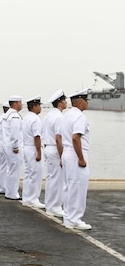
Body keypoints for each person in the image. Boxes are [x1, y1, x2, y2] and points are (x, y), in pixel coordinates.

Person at [60, 89, 92, 230]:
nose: (87, 102)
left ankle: (68, 217)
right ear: (79, 102)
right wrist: (81, 158)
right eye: (86, 100)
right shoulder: (79, 117)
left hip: (67, 153)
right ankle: (75, 219)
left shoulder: (66, 116)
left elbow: (61, 137)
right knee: (78, 188)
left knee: (68, 187)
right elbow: (75, 137)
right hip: (75, 154)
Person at [42, 90, 67, 217]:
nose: (66, 102)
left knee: (51, 178)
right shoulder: (59, 117)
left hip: (47, 147)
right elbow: (58, 138)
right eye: (64, 100)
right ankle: (55, 207)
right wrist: (62, 155)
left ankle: (50, 205)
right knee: (57, 179)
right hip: (55, 149)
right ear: (60, 102)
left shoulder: (48, 115)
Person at [21, 96, 45, 209]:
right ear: (35, 106)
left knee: (28, 174)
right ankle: (33, 198)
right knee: (35, 174)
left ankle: (26, 198)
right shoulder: (35, 119)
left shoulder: (26, 118)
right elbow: (37, 137)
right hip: (33, 148)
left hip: (26, 147)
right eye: (39, 105)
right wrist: (39, 152)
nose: (40, 107)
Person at [2, 95, 24, 200]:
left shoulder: (8, 115)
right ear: (15, 103)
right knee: (14, 171)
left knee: (11, 170)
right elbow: (15, 133)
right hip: (14, 147)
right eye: (20, 102)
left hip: (7, 146)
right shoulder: (14, 116)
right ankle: (12, 193)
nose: (22, 104)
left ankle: (9, 191)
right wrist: (15, 146)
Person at [0, 102, 10, 195]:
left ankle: (1, 187)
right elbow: (7, 135)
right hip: (4, 145)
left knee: (2, 167)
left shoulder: (0, 118)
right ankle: (3, 187)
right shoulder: (5, 119)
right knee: (6, 167)